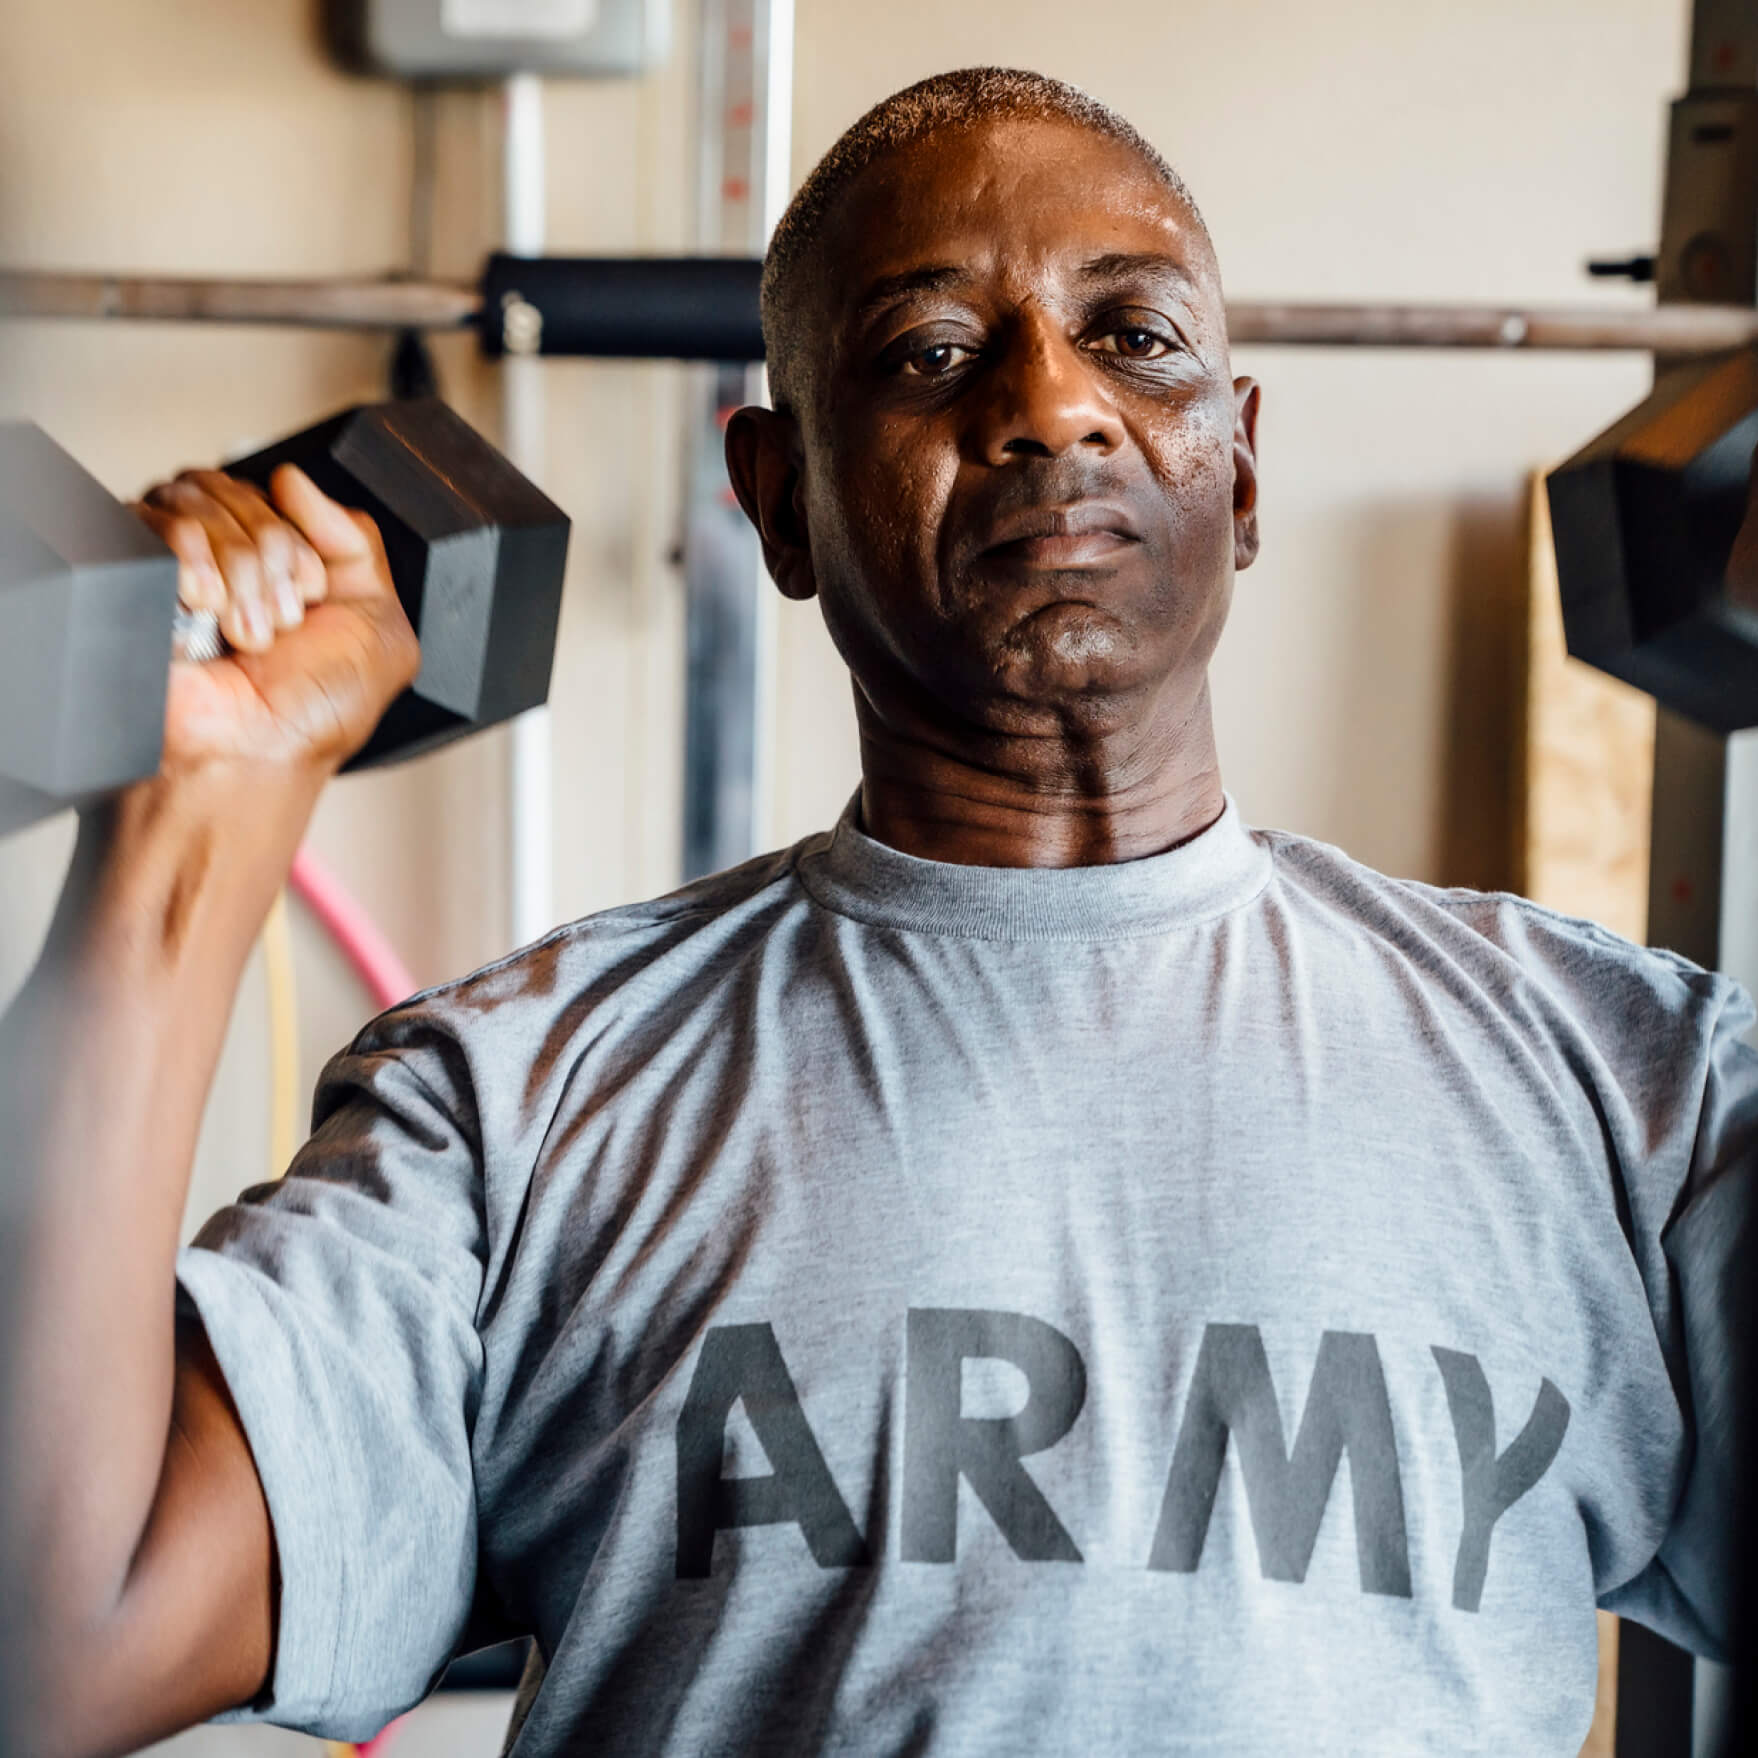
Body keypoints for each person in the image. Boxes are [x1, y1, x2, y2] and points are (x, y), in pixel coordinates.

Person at [3, 66, 1749, 1758]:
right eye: (930, 353)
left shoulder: (1624, 1085)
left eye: (1134, 337)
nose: (1052, 404)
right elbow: (49, 1651)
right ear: (778, 498)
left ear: (1238, 466)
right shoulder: (520, 1099)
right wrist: (194, 823)